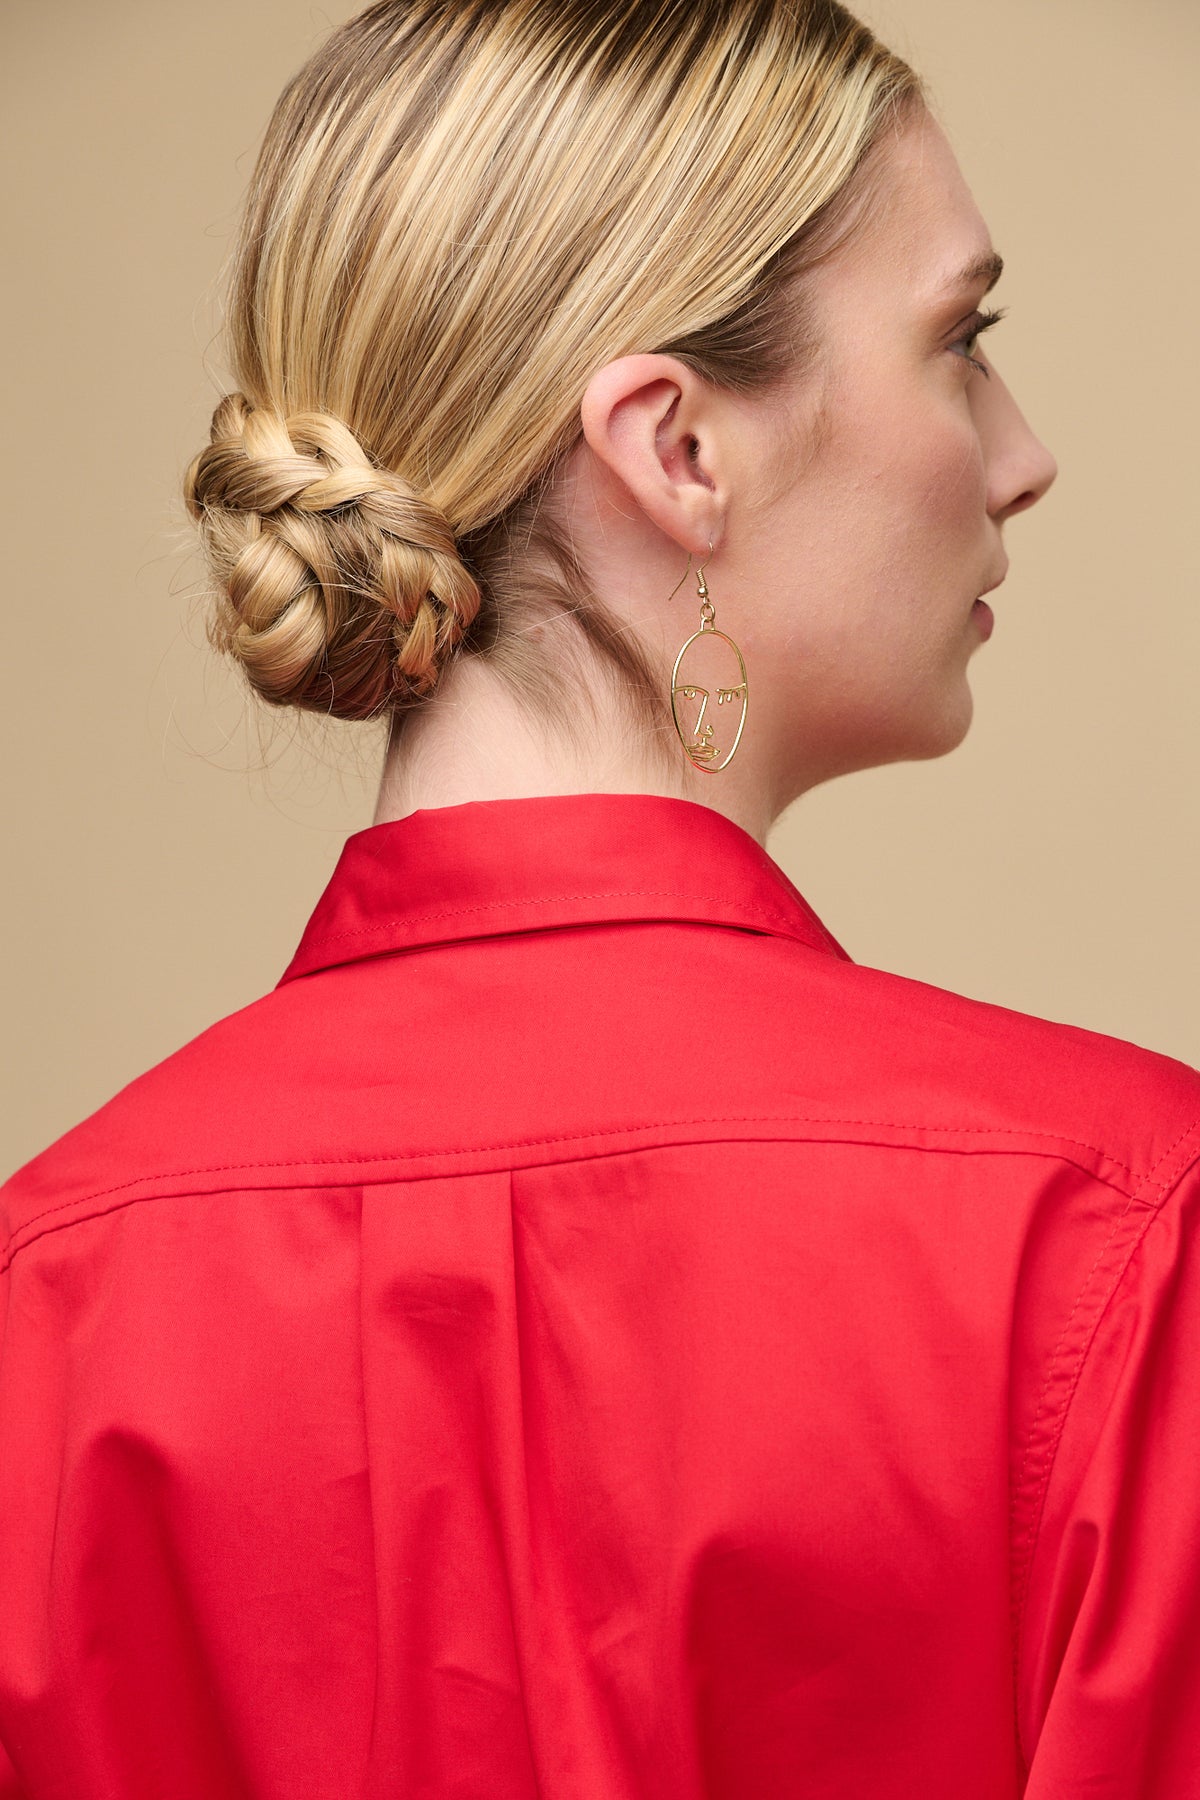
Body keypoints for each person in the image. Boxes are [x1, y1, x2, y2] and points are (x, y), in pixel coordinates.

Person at [1, 0, 1196, 1793]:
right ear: (676, 447)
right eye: (962, 339)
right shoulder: (1114, 1234)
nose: (1022, 455)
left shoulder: (45, 1301)